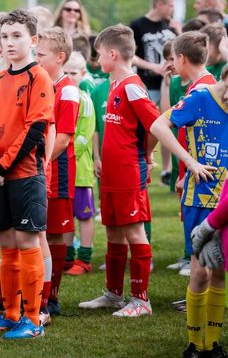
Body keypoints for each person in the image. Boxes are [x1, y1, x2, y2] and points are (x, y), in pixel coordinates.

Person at [0, 9, 54, 339]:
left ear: (33, 40)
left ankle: (33, 319)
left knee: (26, 242)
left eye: (17, 36)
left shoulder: (39, 77)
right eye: (5, 36)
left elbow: (35, 129)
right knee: (6, 244)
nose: (9, 42)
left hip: (23, 175)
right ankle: (10, 314)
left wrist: (2, 166)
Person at [78, 24, 160, 317]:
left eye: (100, 54)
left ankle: (141, 300)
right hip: (111, 173)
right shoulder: (114, 84)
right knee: (113, 230)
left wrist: (146, 153)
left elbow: (156, 125)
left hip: (128, 171)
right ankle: (114, 294)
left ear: (113, 54)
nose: (98, 59)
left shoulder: (132, 86)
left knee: (134, 231)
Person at [150, 58, 228, 358]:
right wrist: (189, 162)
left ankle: (213, 344)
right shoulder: (200, 98)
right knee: (200, 273)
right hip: (200, 198)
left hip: (226, 200)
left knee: (219, 271)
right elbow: (158, 125)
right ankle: (194, 344)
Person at [35, 27, 79, 315]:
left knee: (54, 234)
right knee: (37, 232)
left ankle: (51, 296)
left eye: (41, 54)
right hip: (39, 168)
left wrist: (39, 164)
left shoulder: (68, 89)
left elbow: (62, 138)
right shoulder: (40, 83)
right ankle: (34, 291)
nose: (36, 59)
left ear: (60, 57)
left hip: (58, 170)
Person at [130, 0, 178, 187]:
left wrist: (179, 30)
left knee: (169, 122)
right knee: (147, 125)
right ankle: (144, 160)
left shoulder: (171, 25)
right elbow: (131, 55)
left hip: (171, 81)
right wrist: (154, 67)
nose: (173, 9)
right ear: (159, 4)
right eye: (170, 5)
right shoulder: (138, 25)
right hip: (148, 83)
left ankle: (167, 169)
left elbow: (184, 47)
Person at [61, 52, 96, 276]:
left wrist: (62, 153)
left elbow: (84, 136)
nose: (68, 77)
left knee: (84, 215)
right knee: (64, 216)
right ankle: (66, 257)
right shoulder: (59, 97)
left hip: (80, 171)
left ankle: (84, 259)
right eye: (64, 73)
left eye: (73, 73)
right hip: (62, 170)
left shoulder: (85, 100)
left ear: (83, 74)